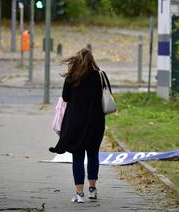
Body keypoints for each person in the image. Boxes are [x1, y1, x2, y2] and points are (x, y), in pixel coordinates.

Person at [49, 48, 111, 203]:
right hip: (95, 122)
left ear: (76, 60)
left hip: (75, 122)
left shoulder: (71, 77)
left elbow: (65, 97)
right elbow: (108, 93)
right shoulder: (100, 75)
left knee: (77, 156)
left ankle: (79, 194)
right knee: (93, 154)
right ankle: (92, 190)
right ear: (92, 60)